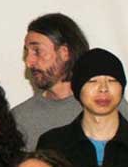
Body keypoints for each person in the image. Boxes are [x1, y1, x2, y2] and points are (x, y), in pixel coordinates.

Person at [11, 13, 87, 149]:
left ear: (65, 53)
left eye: (37, 51)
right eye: (27, 52)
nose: (29, 62)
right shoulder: (20, 117)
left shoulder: (106, 105)